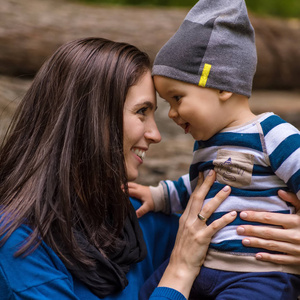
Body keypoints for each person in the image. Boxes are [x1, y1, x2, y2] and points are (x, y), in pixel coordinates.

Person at [0, 37, 238, 299]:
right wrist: (179, 273)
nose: (155, 134)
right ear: (91, 117)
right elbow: (184, 261)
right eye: (141, 111)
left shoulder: (137, 217)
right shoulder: (18, 245)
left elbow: (241, 242)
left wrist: (289, 242)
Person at [127, 0, 300, 299]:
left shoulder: (271, 134)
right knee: (149, 292)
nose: (171, 113)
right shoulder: (208, 145)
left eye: (177, 98)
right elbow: (197, 189)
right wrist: (158, 195)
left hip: (258, 273)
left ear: (222, 87)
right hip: (203, 264)